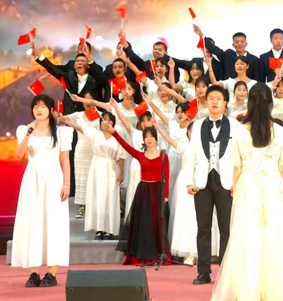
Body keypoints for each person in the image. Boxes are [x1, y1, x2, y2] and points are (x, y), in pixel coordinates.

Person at [211, 83, 283, 300]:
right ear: (270, 103)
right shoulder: (280, 132)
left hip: (248, 189)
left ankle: (248, 292)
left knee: (247, 240)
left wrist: (235, 191)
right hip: (274, 189)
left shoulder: (239, 131)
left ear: (249, 104)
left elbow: (236, 168)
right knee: (275, 240)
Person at [12, 94, 73, 287]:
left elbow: (65, 160)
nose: (39, 110)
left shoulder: (61, 133)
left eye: (43, 106)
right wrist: (28, 133)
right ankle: (34, 272)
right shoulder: (24, 129)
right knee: (33, 221)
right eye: (36, 106)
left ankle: (52, 273)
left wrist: (67, 184)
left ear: (50, 110)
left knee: (53, 222)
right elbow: (19, 154)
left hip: (53, 179)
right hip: (32, 179)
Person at [182, 85, 240, 285]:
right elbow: (191, 155)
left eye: (219, 98)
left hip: (226, 183)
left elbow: (240, 156)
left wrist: (237, 182)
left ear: (225, 103)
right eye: (211, 98)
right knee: (203, 228)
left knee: (226, 229)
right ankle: (203, 272)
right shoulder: (198, 125)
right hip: (202, 183)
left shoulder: (235, 125)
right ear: (205, 102)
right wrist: (189, 181)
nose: (215, 102)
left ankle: (225, 273)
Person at [110, 123, 171, 265]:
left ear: (156, 138)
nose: (149, 139)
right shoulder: (140, 155)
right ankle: (142, 254)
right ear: (143, 140)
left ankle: (158, 254)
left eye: (151, 137)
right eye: (146, 137)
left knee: (157, 223)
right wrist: (114, 132)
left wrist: (166, 195)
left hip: (158, 191)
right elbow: (125, 145)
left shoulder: (164, 156)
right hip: (143, 191)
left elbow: (167, 177)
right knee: (143, 224)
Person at [60, 110, 126, 240]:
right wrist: (65, 120)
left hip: (111, 168)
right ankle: (99, 229)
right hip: (97, 167)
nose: (106, 122)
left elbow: (121, 156)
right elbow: (80, 128)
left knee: (110, 197)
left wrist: (121, 173)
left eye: (109, 120)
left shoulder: (118, 137)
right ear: (100, 122)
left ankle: (109, 230)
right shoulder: (95, 134)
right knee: (98, 197)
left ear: (113, 122)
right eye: (104, 119)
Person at [194, 25, 260, 81]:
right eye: (237, 42)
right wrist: (201, 35)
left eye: (242, 41)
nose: (240, 44)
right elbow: (214, 48)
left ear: (246, 44)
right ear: (233, 45)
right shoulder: (228, 56)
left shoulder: (254, 60)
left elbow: (257, 78)